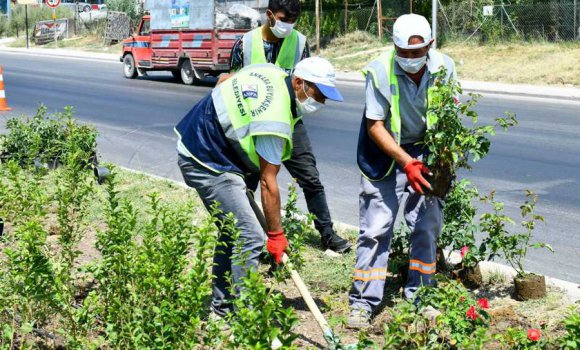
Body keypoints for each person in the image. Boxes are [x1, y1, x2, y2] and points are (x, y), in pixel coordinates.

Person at [175, 57, 344, 318]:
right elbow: (268, 182)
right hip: (206, 161)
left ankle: (221, 310)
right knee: (251, 236)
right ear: (298, 82)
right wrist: (276, 235)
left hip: (206, 146)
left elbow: (224, 80)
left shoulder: (272, 73)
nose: (320, 103)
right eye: (318, 95)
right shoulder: (274, 119)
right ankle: (247, 318)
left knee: (234, 232)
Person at [347, 14, 458, 329]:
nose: (410, 59)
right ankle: (362, 303)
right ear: (393, 46)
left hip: (427, 151)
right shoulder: (379, 70)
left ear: (430, 45)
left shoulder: (444, 67)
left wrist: (443, 162)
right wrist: (405, 162)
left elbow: (450, 115)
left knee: (426, 226)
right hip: (384, 153)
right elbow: (375, 125)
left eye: (417, 52)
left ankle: (422, 296)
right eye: (403, 52)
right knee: (376, 228)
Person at [220, 0, 352, 254]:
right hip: (252, 125)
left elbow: (306, 85)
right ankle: (249, 239)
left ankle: (327, 233)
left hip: (289, 120)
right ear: (269, 15)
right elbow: (231, 81)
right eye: (284, 19)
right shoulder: (245, 44)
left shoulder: (300, 42)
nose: (288, 26)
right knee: (247, 183)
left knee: (310, 178)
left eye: (293, 21)